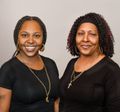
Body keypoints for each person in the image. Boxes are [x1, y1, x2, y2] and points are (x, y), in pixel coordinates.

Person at [60, 12, 120, 112]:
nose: (85, 39)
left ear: (100, 38)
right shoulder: (72, 63)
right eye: (80, 34)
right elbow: (63, 101)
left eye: (92, 34)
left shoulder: (111, 70)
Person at [0, 16, 59, 112]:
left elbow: (56, 102)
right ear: (17, 38)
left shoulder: (51, 64)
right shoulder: (8, 69)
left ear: (43, 39)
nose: (31, 41)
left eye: (36, 36)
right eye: (24, 35)